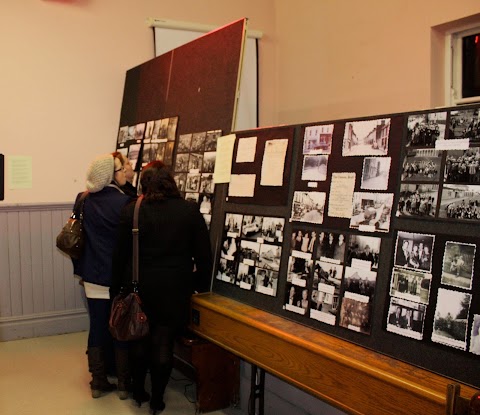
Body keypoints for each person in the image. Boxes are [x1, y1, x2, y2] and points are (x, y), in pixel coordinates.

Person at [112, 161, 212, 413]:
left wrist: (116, 289)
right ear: (171, 183)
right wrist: (198, 286)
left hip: (138, 285)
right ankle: (157, 399)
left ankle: (138, 391)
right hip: (175, 288)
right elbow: (204, 257)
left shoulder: (132, 211)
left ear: (144, 184)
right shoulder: (189, 212)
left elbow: (119, 256)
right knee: (163, 341)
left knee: (139, 340)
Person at [72, 153, 132, 399]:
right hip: (118, 277)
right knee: (120, 325)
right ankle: (123, 384)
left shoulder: (82, 199)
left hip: (92, 274)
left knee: (96, 326)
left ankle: (98, 381)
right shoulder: (125, 202)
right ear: (111, 174)